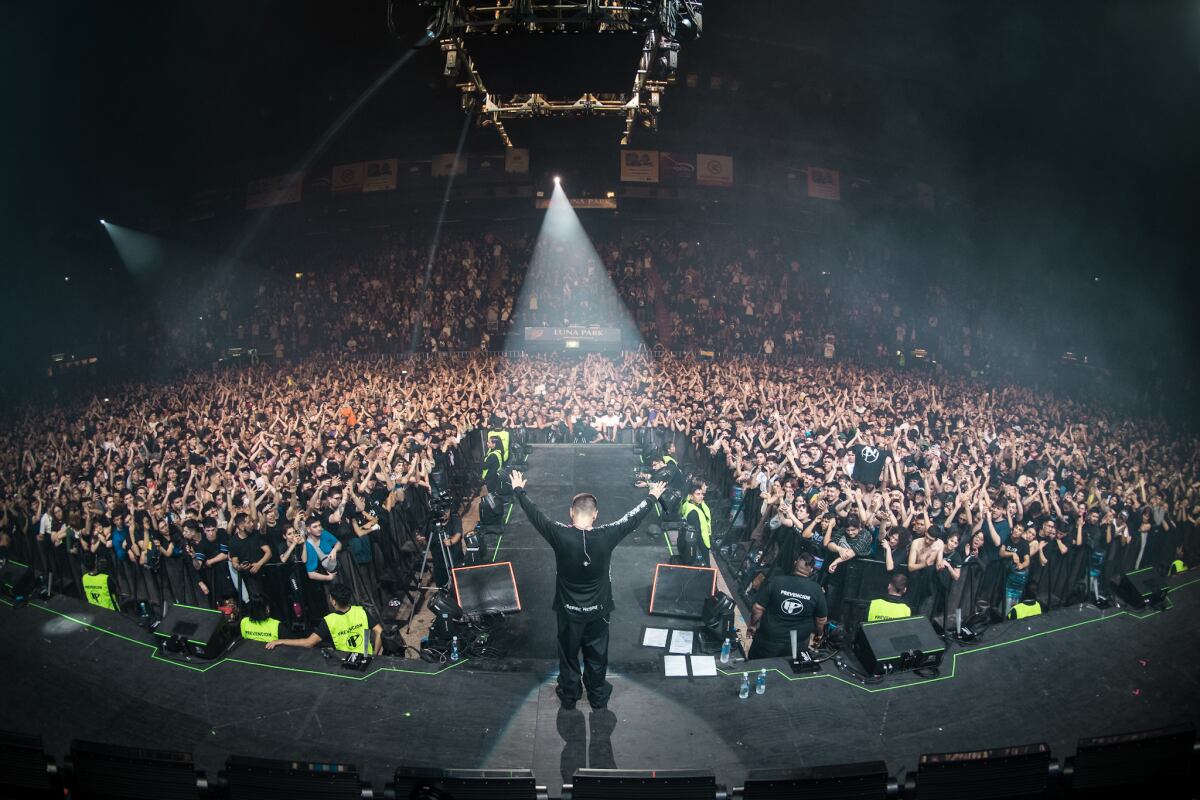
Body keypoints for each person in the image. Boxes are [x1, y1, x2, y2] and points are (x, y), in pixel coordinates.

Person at [510, 469, 666, 710]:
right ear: (596, 515)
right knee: (597, 656)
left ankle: (570, 696)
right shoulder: (608, 534)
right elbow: (632, 518)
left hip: (568, 611)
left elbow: (535, 514)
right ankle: (597, 696)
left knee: (569, 655)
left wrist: (519, 489)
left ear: (571, 513)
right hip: (599, 610)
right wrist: (652, 496)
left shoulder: (558, 534)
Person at [746, 551, 828, 659]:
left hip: (769, 639)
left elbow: (758, 608)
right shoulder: (816, 590)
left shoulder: (776, 581)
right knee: (788, 672)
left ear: (795, 564)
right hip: (796, 643)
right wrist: (819, 634)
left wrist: (752, 626)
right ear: (812, 570)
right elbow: (821, 620)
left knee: (756, 668)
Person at [266, 583, 382, 654]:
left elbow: (309, 643)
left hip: (347, 662)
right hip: (367, 657)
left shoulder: (329, 620)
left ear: (334, 602)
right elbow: (379, 632)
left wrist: (280, 641)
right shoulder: (361, 611)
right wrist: (375, 654)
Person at [678, 483, 713, 565]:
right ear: (691, 496)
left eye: (702, 494)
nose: (701, 496)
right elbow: (697, 534)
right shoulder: (693, 512)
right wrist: (701, 550)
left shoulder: (688, 504)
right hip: (702, 544)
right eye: (698, 494)